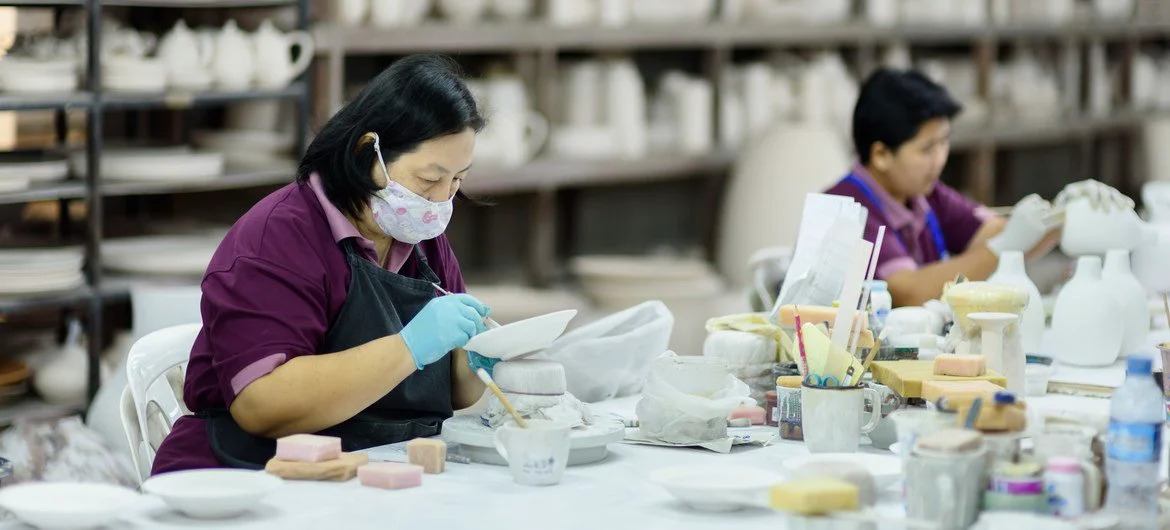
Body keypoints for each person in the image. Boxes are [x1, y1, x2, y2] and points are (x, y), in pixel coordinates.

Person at [151, 54, 498, 474]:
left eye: (458, 180)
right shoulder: (279, 236)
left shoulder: (424, 240)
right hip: (246, 473)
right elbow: (261, 404)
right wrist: (409, 347)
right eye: (428, 180)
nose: (441, 200)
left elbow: (455, 394)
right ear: (367, 151)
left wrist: (482, 355)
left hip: (375, 467)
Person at [824, 67, 1128, 307]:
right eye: (927, 148)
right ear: (881, 154)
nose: (940, 158)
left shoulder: (924, 195)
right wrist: (1006, 246)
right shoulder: (847, 208)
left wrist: (1065, 213)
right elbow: (907, 291)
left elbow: (1003, 233)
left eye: (945, 142)